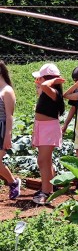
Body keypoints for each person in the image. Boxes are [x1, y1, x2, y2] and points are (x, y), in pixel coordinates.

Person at [32, 63, 65, 204]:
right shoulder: (46, 91)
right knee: (46, 160)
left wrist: (54, 81)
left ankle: (46, 191)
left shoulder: (54, 92)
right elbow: (42, 87)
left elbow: (45, 86)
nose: (38, 81)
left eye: (41, 78)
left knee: (42, 160)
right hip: (41, 126)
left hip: (49, 128)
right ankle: (49, 188)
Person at [0, 61, 21, 199]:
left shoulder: (7, 91)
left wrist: (8, 135)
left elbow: (9, 115)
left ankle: (13, 182)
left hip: (1, 128)